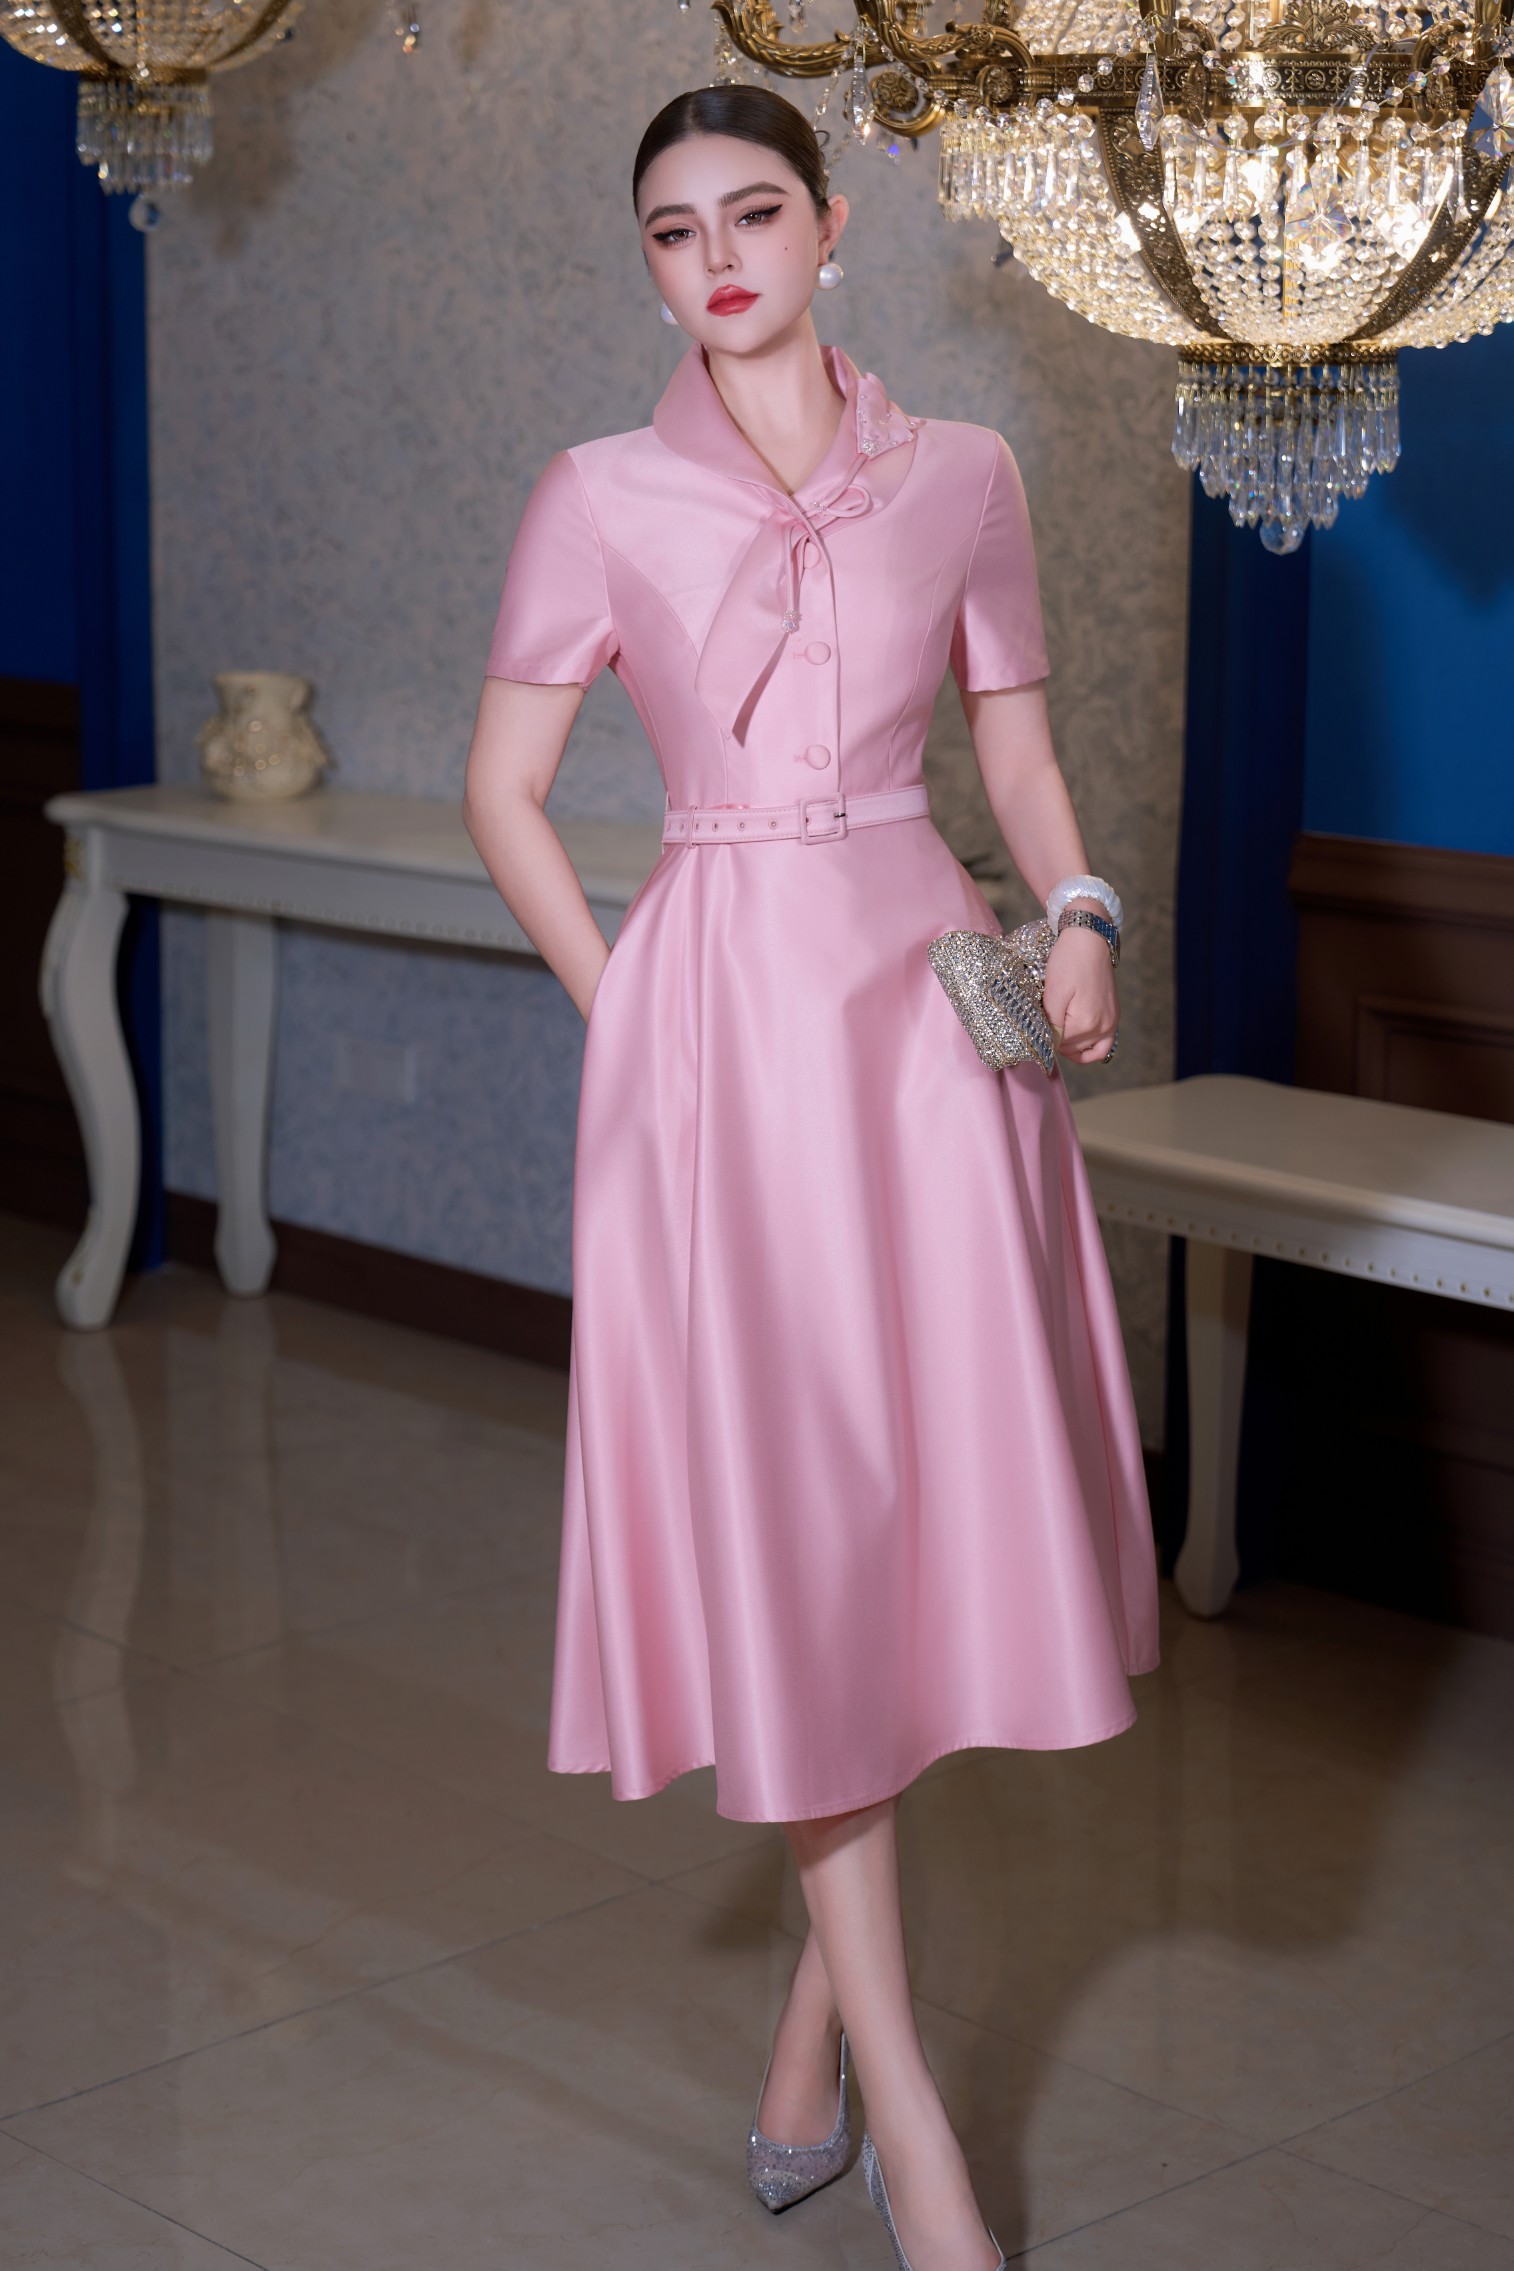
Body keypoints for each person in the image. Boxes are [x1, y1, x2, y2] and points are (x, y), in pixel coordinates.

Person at [463, 83, 1159, 2271]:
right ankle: (909, 2124)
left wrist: (1078, 913)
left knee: (915, 1521)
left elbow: (1014, 747)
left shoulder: (965, 473)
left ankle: (807, 2041)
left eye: (753, 214)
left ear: (833, 222)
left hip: (927, 1024)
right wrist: (626, 1012)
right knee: (795, 1531)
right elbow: (501, 789)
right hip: (721, 1041)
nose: (717, 261)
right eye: (672, 232)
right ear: (647, 264)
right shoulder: (597, 495)